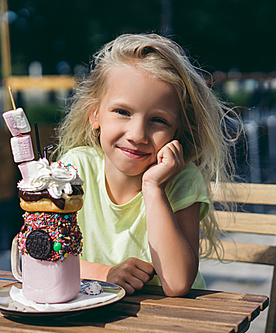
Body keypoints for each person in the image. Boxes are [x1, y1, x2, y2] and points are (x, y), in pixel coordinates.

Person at [56, 33, 238, 296]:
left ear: (177, 130)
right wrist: (104, 274)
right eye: (122, 112)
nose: (137, 135)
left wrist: (153, 188)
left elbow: (177, 284)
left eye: (158, 120)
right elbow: (36, 254)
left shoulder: (182, 179)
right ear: (94, 114)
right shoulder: (74, 169)